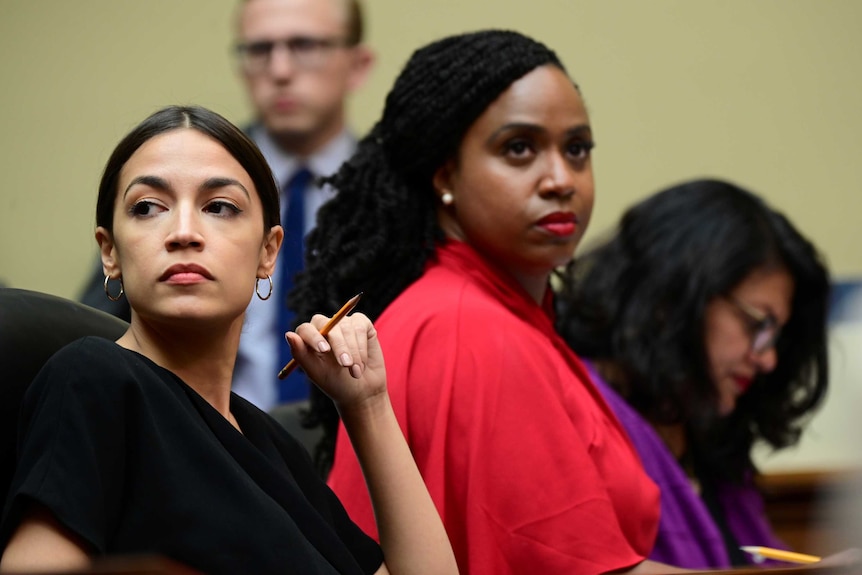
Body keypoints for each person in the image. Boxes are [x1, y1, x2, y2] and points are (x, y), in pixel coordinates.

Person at [289, 29, 687, 575]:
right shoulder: (471, 327)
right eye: (519, 148)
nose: (560, 179)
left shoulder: (485, 309)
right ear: (445, 176)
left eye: (577, 149)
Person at [0, 105, 457, 575]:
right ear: (110, 252)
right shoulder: (93, 377)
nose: (183, 233)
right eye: (147, 208)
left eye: (219, 207)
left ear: (268, 252)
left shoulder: (276, 447)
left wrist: (367, 404)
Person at [79, 0, 374, 411]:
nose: (280, 70)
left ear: (358, 64)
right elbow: (92, 327)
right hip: (192, 435)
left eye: (305, 45)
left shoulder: (397, 198)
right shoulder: (164, 178)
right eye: (259, 50)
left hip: (346, 440)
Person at [556, 179, 831, 568]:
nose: (768, 359)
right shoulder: (574, 414)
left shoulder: (709, 436)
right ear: (672, 297)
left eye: (776, 337)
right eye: (758, 324)